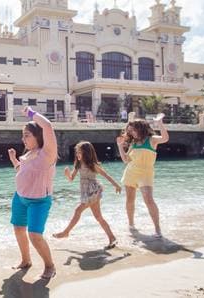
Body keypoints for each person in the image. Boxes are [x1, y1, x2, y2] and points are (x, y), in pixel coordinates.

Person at [7, 106, 57, 280]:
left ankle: (50, 265)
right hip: (20, 198)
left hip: (39, 201)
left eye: (27, 135)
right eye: (23, 136)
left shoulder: (47, 154)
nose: (23, 139)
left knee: (35, 235)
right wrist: (14, 159)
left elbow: (48, 126)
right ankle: (26, 260)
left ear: (38, 136)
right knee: (19, 229)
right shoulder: (27, 154)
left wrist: (30, 113)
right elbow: (22, 171)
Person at [52, 141, 121, 249]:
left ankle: (66, 232)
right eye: (77, 152)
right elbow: (71, 179)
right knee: (98, 217)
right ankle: (112, 238)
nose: (77, 154)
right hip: (86, 192)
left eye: (79, 152)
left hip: (93, 191)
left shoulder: (92, 165)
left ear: (86, 153)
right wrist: (67, 174)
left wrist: (116, 185)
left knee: (78, 210)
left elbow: (105, 175)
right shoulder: (78, 164)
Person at [116, 113, 169, 238]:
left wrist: (159, 123)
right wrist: (120, 146)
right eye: (130, 131)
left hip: (146, 174)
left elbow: (165, 138)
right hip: (131, 173)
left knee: (149, 200)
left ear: (140, 128)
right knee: (130, 200)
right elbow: (126, 160)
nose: (132, 133)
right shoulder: (133, 143)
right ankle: (131, 225)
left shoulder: (152, 140)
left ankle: (157, 230)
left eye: (133, 130)